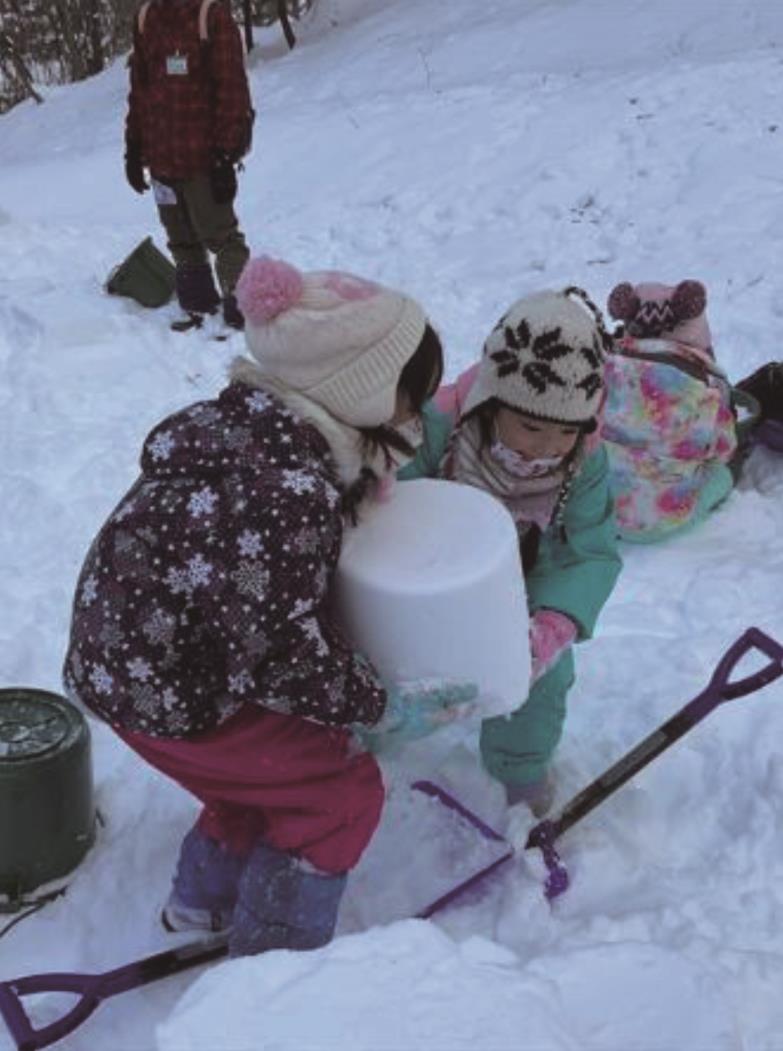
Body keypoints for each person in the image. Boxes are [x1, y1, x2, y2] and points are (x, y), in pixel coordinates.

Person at [62, 256, 475, 957]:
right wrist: (375, 704)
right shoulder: (284, 493)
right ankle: (272, 964)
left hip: (126, 662)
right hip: (172, 690)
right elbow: (277, 654)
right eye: (410, 399)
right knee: (336, 792)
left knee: (264, 776)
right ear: (363, 391)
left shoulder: (251, 427)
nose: (414, 418)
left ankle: (199, 904)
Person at [430, 287, 623, 814]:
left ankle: (518, 766)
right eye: (531, 426)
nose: (545, 446)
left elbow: (592, 550)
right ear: (491, 404)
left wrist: (555, 622)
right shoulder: (440, 426)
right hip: (431, 571)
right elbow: (387, 500)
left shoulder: (583, 461)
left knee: (540, 677)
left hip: (523, 575)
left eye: (565, 430)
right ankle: (365, 747)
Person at [124, 0, 254, 329]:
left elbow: (232, 90)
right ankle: (198, 306)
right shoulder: (145, 17)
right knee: (180, 237)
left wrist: (226, 156)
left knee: (221, 236)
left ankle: (243, 312)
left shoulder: (210, 14)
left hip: (203, 160)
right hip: (161, 157)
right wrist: (134, 146)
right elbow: (140, 90)